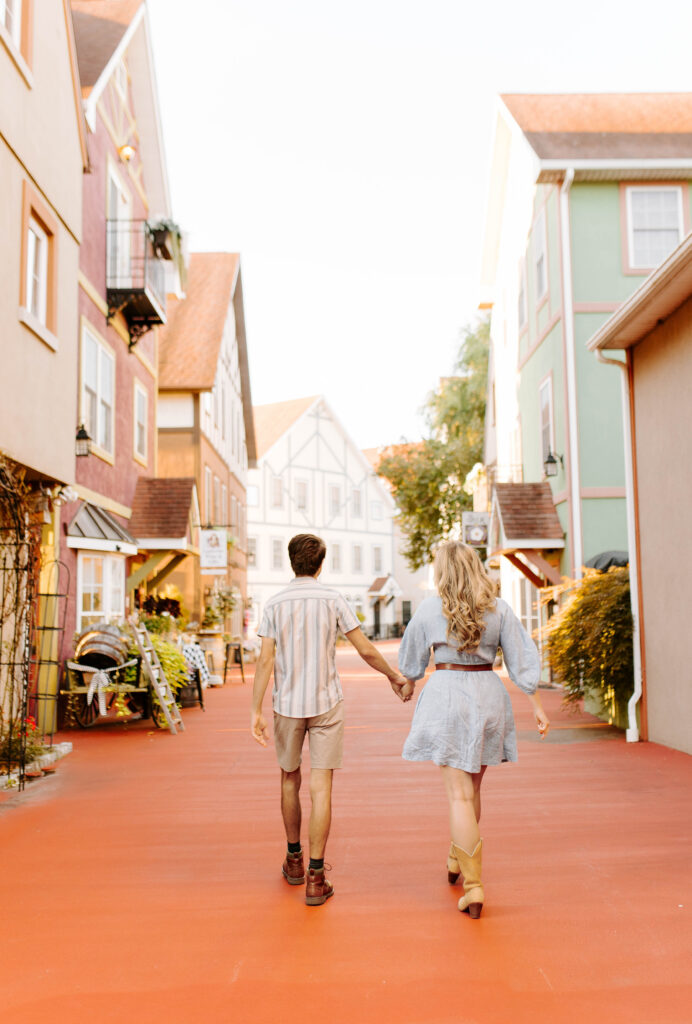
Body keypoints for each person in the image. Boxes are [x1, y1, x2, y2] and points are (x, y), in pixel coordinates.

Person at [250, 533, 409, 907]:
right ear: (320, 564)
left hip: (287, 704)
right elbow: (365, 649)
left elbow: (265, 661)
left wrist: (255, 710)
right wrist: (394, 676)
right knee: (321, 787)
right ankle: (316, 878)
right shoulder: (333, 599)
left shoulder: (274, 604)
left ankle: (293, 861)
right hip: (326, 703)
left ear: (292, 562)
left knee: (290, 778)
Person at [398, 540, 550, 919]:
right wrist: (535, 704)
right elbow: (521, 659)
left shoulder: (431, 608)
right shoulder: (498, 609)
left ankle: (474, 887)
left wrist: (406, 682)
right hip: (488, 697)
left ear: (442, 572)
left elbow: (410, 663)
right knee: (473, 789)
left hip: (448, 696)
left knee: (458, 796)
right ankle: (456, 856)